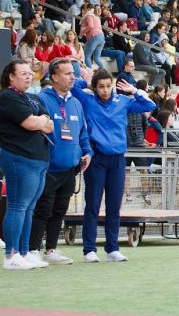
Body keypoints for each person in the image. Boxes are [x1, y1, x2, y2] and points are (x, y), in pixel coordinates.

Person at [71, 69, 156, 263]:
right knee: (92, 204)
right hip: (97, 158)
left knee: (114, 206)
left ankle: (112, 248)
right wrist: (85, 82)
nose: (105, 90)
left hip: (117, 158)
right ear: (95, 87)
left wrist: (134, 89)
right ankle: (89, 249)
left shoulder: (123, 102)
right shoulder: (88, 101)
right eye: (101, 86)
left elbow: (150, 104)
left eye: (109, 86)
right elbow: (73, 88)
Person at [28, 59, 92, 266]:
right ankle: (32, 249)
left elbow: (83, 133)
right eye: (67, 73)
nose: (73, 77)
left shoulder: (76, 103)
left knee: (59, 211)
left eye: (73, 73)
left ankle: (51, 249)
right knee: (42, 210)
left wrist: (87, 152)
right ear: (54, 77)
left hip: (70, 168)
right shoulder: (42, 99)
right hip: (47, 167)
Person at [0, 59, 54, 270]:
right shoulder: (7, 97)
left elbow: (49, 123)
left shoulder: (30, 97)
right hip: (19, 157)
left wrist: (40, 121)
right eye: (22, 73)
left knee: (29, 208)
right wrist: (39, 121)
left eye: (29, 72)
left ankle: (24, 252)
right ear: (10, 76)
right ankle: (11, 255)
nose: (28, 75)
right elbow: (31, 122)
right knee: (17, 206)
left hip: (38, 158)